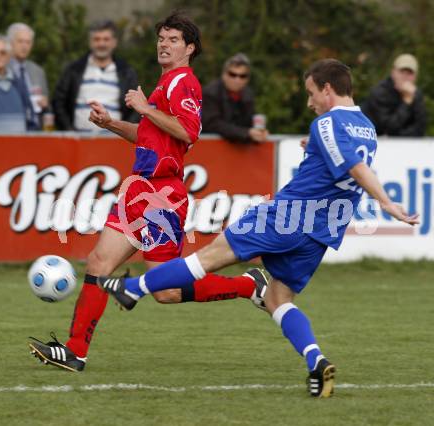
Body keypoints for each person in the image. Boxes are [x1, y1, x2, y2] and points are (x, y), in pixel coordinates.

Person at [97, 59, 419, 398]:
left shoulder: (328, 122)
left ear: (327, 89)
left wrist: (385, 202)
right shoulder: (365, 125)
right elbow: (345, 162)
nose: (309, 103)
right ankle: (317, 361)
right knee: (277, 298)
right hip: (323, 230)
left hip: (289, 215)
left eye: (311, 94)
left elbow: (354, 167)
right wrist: (316, 151)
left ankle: (134, 288)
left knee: (208, 257)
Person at [28, 13, 267, 372]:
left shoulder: (184, 83)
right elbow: (146, 135)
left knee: (166, 291)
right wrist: (111, 123)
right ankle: (75, 351)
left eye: (173, 39)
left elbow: (188, 133)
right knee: (98, 263)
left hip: (162, 196)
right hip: (139, 189)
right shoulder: (164, 84)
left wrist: (144, 108)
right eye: (161, 38)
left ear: (189, 48)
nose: (164, 44)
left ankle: (248, 285)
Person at [52, 20, 139, 131]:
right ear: (90, 42)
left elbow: (136, 107)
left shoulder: (126, 72)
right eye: (97, 39)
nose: (101, 44)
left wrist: (126, 132)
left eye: (106, 39)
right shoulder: (74, 70)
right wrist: (69, 130)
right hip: (77, 141)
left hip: (115, 141)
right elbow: (58, 102)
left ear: (114, 42)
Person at [202, 53, 268, 144]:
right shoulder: (210, 93)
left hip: (238, 151)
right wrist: (246, 133)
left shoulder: (248, 95)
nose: (237, 79)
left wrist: (258, 133)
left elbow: (249, 123)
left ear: (247, 79)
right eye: (232, 74)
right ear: (224, 75)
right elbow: (212, 124)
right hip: (208, 148)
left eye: (242, 76)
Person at [362, 53, 427, 136]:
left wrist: (400, 135)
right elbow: (388, 127)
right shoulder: (379, 92)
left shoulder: (416, 94)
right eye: (402, 72)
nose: (405, 77)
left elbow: (420, 129)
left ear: (415, 77)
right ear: (393, 72)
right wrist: (407, 102)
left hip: (405, 144)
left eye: (409, 73)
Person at [7, 23, 49, 130]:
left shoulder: (38, 71)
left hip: (36, 130)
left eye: (28, 42)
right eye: (20, 41)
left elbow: (46, 103)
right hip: (10, 128)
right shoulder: (2, 68)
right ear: (10, 43)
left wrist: (45, 103)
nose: (24, 46)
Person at [0, 34, 26, 133]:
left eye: (3, 52)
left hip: (20, 145)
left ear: (9, 56)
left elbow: (30, 118)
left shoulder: (19, 84)